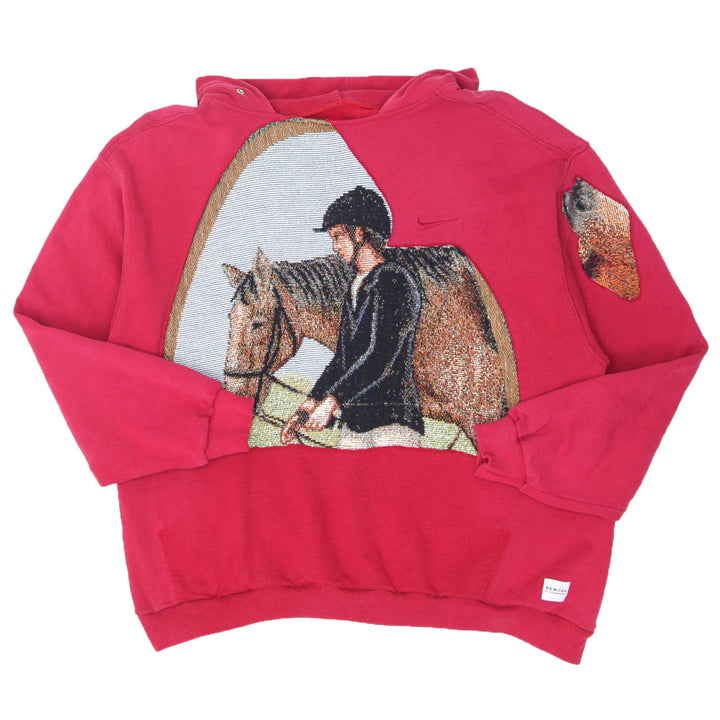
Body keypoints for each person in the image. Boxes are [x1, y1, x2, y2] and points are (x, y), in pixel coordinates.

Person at [280, 185, 425, 449]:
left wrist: (332, 401)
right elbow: (343, 359)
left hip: (392, 423)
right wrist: (308, 406)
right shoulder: (356, 287)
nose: (334, 247)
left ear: (359, 233)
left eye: (338, 237)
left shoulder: (395, 281)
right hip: (356, 422)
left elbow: (379, 355)